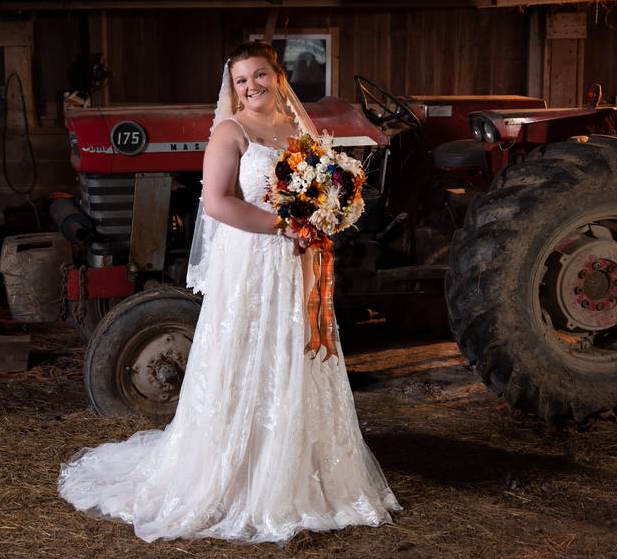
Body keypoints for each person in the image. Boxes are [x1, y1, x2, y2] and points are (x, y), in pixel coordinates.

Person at [58, 42, 401, 544]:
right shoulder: (230, 131)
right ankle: (239, 470)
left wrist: (327, 213)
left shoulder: (300, 130)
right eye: (242, 80)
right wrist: (283, 225)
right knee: (248, 352)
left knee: (295, 351)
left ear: (278, 76)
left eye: (259, 75)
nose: (252, 87)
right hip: (254, 259)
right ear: (233, 87)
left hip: (296, 262)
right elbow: (217, 204)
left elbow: (322, 188)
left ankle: (298, 464)